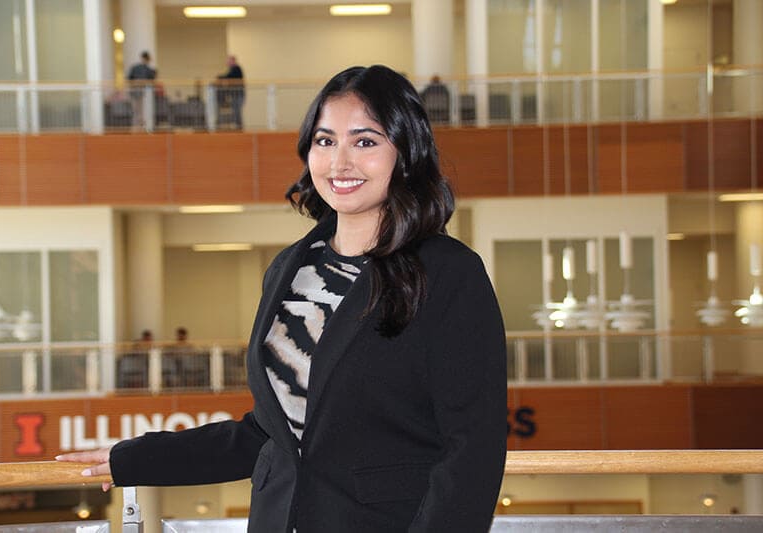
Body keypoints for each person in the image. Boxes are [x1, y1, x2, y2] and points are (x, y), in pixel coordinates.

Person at [58, 65, 507, 532]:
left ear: (406, 153)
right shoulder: (290, 269)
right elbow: (271, 434)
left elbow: (473, 446)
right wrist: (136, 458)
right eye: (325, 140)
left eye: (366, 141)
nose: (340, 163)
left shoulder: (448, 272)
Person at [126, 51, 157, 128]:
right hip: (140, 92)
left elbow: (129, 78)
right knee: (139, 110)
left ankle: (139, 125)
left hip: (138, 92)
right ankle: (139, 125)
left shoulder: (143, 68)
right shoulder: (142, 68)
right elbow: (153, 78)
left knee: (137, 110)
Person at [216, 55, 245, 129]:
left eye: (228, 61)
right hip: (235, 94)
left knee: (237, 110)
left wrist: (219, 77)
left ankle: (239, 126)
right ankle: (237, 126)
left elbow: (229, 76)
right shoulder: (232, 69)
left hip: (239, 94)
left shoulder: (236, 68)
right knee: (235, 110)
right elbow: (228, 77)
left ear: (233, 61)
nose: (227, 62)